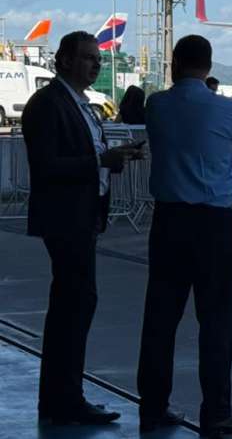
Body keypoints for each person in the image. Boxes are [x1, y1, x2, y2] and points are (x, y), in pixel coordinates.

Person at [137, 35, 232, 435]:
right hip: (212, 224)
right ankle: (217, 411)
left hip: (168, 222)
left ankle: (153, 407)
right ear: (209, 67)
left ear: (173, 65)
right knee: (217, 321)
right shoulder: (225, 110)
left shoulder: (157, 105)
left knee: (160, 320)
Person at [23, 32, 142, 426]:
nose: (97, 65)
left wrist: (110, 162)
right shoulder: (47, 104)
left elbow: (86, 156)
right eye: (90, 58)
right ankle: (64, 398)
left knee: (76, 305)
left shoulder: (85, 106)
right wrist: (99, 162)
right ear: (65, 60)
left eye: (99, 59)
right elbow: (46, 166)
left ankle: (64, 394)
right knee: (73, 306)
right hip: (64, 218)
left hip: (84, 216)